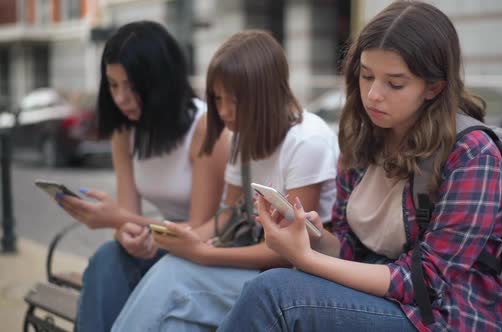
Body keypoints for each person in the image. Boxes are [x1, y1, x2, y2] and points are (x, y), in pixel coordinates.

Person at [218, 1, 502, 331]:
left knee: (273, 293)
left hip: (443, 318)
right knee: (270, 288)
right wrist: (313, 239)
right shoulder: (362, 143)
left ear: (434, 86)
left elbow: (426, 283)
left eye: (394, 83)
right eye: (367, 76)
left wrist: (305, 258)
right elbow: (351, 248)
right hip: (380, 302)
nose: (373, 94)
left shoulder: (472, 154)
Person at [111, 30, 340, 331]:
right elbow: (229, 215)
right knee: (177, 322)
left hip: (296, 279)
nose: (224, 111)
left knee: (175, 279)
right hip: (256, 266)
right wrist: (186, 236)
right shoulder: (241, 137)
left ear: (266, 93)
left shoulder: (307, 140)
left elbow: (291, 251)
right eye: (217, 99)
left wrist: (205, 253)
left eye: (235, 100)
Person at [55, 21, 231, 332]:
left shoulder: (204, 127)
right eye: (113, 85)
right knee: (110, 256)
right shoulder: (125, 131)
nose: (121, 98)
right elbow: (130, 218)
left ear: (160, 83)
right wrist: (126, 233)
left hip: (211, 249)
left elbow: (200, 229)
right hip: (165, 241)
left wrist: (117, 220)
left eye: (132, 86)